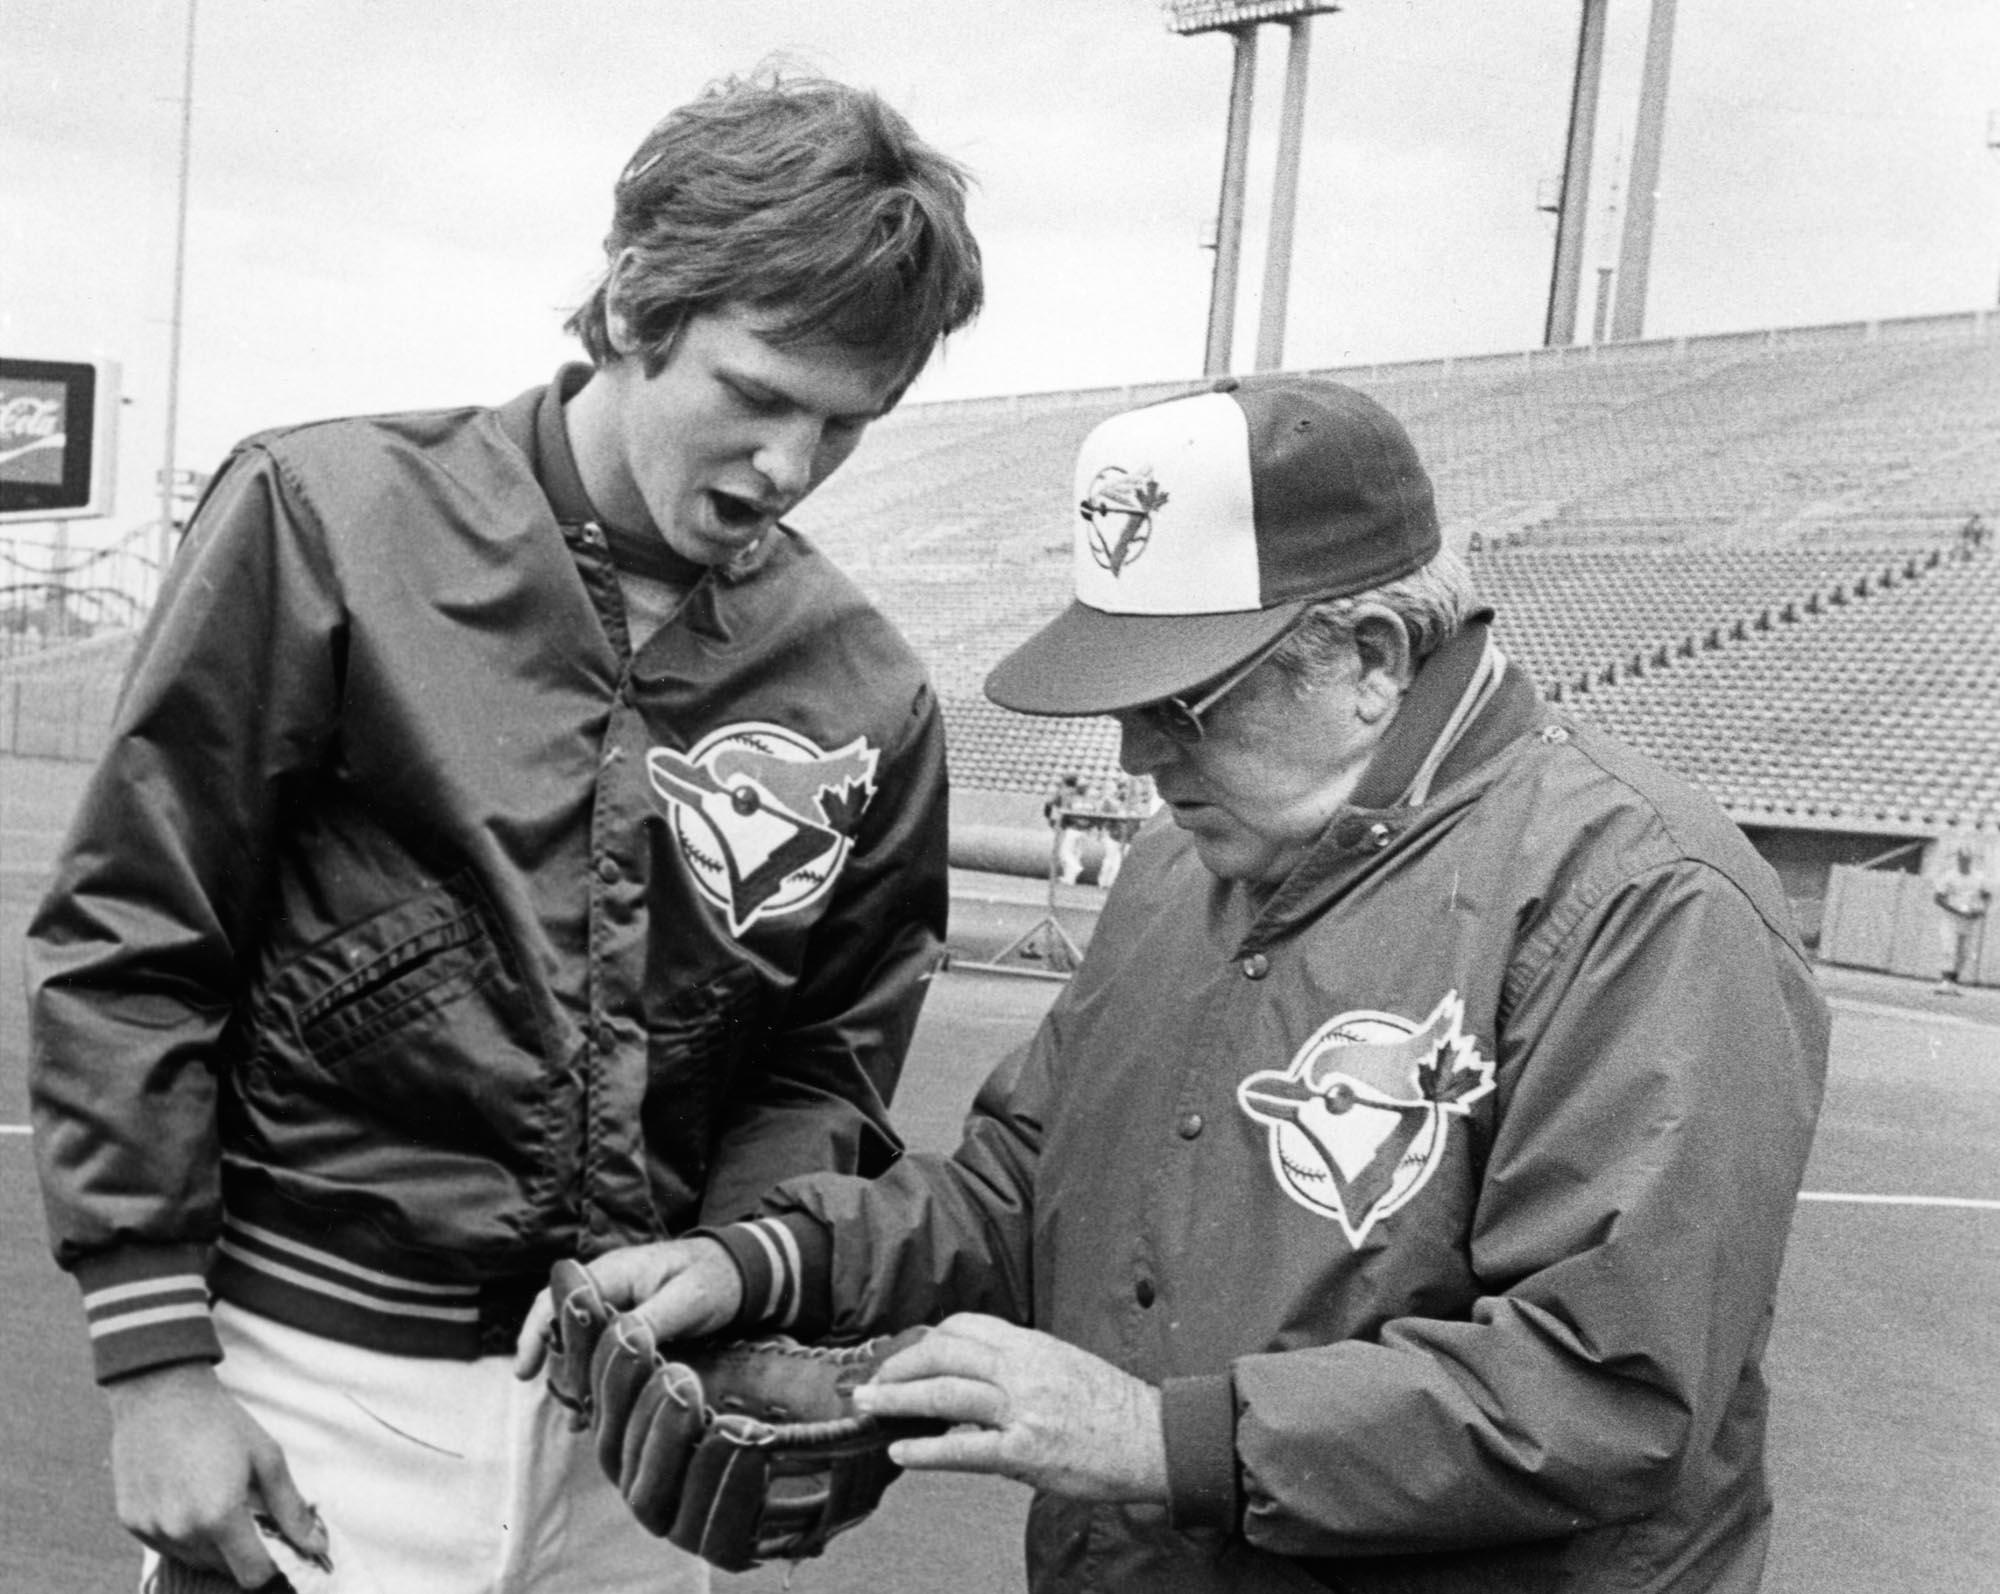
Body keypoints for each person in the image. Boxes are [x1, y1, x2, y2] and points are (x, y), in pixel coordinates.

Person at [521, 375, 1832, 1592]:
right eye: (1124, 702)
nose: (1137, 756)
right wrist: (763, 1261)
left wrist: (1161, 1439)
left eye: (1183, 703)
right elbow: (1024, 1186)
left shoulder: (1642, 897)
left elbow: (1605, 1384)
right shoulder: (1178, 864)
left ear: (1372, 658)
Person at [27, 69, 982, 1594]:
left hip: (635, 1445)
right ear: (635, 300)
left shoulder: (865, 685)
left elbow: (823, 1061)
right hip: (317, 1395)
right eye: (756, 394)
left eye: (846, 422)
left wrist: (734, 1277)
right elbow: (136, 936)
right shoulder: (324, 515)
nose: (790, 466)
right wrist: (153, 1363)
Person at [1930, 839, 1991, 994]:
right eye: (1962, 858)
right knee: (1949, 949)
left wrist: (1981, 909)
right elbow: (1938, 898)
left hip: (1968, 920)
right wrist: (1955, 910)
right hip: (1951, 919)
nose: (1964, 861)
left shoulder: (1978, 877)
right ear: (1958, 859)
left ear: (1970, 860)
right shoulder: (1949, 876)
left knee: (1964, 953)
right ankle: (1945, 982)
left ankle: (1953, 983)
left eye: (1967, 859)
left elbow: (1986, 895)